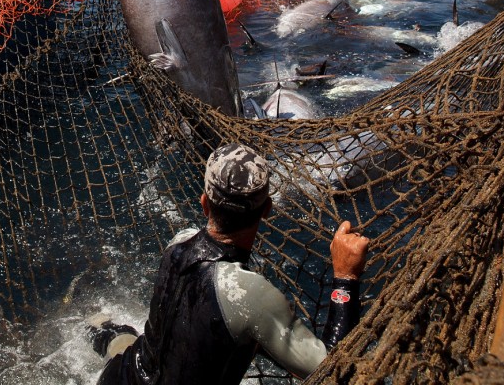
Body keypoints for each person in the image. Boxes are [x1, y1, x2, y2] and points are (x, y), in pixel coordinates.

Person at [90, 142, 370, 385]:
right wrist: (345, 277)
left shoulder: (178, 242)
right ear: (267, 210)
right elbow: (334, 370)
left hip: (119, 375)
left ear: (204, 204)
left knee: (125, 340)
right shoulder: (249, 295)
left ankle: (95, 326)